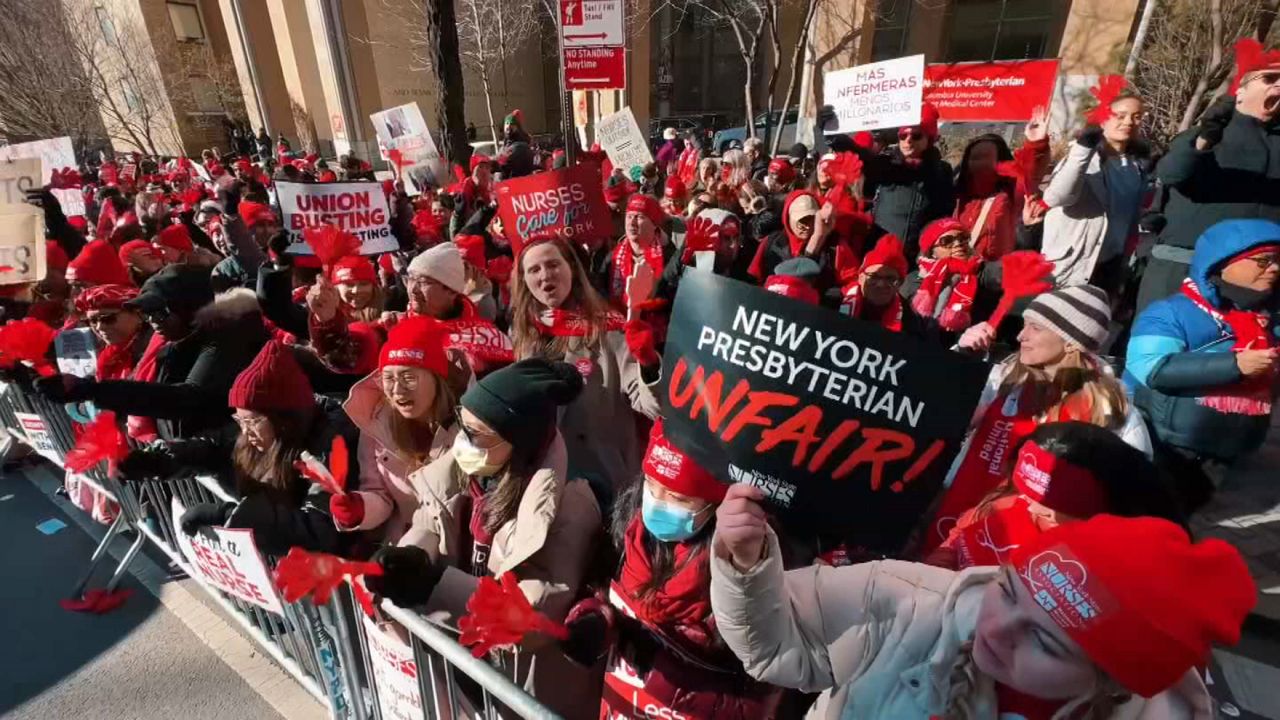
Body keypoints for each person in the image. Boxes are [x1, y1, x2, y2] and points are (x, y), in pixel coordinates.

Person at [711, 493, 1255, 718]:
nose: (997, 627)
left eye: (1045, 641)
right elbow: (776, 650)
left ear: (1113, 682)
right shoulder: (907, 601)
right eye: (1009, 590)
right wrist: (745, 562)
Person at [366, 359, 600, 720]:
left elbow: (535, 610)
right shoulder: (472, 472)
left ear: (518, 439)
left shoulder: (569, 508)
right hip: (469, 659)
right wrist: (411, 556)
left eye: (478, 435)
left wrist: (433, 588)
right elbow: (431, 519)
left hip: (523, 682)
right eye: (463, 426)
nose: (463, 442)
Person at [559, 421, 781, 719]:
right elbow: (605, 590)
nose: (658, 504)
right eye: (652, 486)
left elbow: (763, 689)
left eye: (679, 498)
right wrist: (594, 621)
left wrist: (664, 678)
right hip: (622, 705)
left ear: (717, 502)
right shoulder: (628, 530)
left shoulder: (749, 568)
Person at [939, 285, 1151, 553]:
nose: (1019, 335)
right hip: (959, 518)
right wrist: (961, 360)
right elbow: (941, 414)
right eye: (1024, 325)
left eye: (1035, 328)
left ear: (1071, 341)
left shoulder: (1112, 411)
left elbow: (1129, 499)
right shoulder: (1006, 378)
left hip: (1043, 553)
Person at [128, 341, 357, 557]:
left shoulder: (331, 444)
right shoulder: (258, 433)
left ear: (284, 419)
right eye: (240, 420)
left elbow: (320, 528)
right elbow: (216, 447)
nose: (246, 432)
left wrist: (230, 516)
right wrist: (163, 459)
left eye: (253, 422)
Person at [1125, 219, 1280, 510]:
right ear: (1221, 262)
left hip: (1228, 447)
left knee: (1190, 510)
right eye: (1263, 260)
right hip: (1169, 445)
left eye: (1278, 261)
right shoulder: (1173, 313)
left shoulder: (1267, 320)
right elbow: (1151, 368)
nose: (1274, 268)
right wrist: (1234, 365)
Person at [35, 266, 271, 440]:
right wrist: (80, 387)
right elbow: (143, 384)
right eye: (147, 314)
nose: (152, 322)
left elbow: (188, 399)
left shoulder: (227, 339)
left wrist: (95, 391)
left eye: (160, 313)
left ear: (189, 309)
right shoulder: (175, 339)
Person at [511, 233, 660, 506]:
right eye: (534, 269)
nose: (545, 276)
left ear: (572, 269)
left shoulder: (609, 331)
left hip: (605, 487)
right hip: (543, 486)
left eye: (553, 265)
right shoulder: (524, 335)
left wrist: (649, 363)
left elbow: (652, 407)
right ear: (524, 281)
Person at [925, 421, 1185, 571]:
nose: (1025, 506)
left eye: (1046, 506)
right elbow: (958, 537)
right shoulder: (1012, 495)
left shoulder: (1105, 566)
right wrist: (934, 574)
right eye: (1021, 492)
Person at [1138, 38, 1280, 312]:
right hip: (1185, 274)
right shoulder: (1210, 132)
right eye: (1270, 78)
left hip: (1257, 284)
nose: (1279, 86)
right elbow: (1171, 173)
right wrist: (1205, 138)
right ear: (1240, 90)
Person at [334, 315, 465, 544]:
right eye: (388, 378)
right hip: (405, 544)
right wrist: (359, 508)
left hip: (460, 544)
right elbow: (380, 495)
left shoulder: (468, 423)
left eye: (408, 377)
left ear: (437, 379)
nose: (397, 390)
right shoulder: (375, 424)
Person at [1042, 77, 1150, 295]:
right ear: (1103, 119)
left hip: (1109, 267)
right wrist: (1082, 151)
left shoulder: (1136, 166)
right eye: (1120, 115)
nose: (1128, 122)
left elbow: (1131, 218)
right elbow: (1056, 198)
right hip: (1070, 266)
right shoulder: (1081, 158)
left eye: (1136, 117)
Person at [853, 102, 954, 263]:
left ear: (930, 138)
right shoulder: (885, 164)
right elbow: (857, 156)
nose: (908, 141)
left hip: (918, 259)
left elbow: (944, 214)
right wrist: (834, 138)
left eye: (916, 136)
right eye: (903, 135)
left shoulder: (942, 171)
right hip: (879, 252)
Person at [954, 112, 1050, 262]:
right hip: (961, 275)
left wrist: (1036, 144)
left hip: (996, 276)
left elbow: (1031, 171)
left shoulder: (1011, 193)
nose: (980, 163)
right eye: (975, 158)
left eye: (986, 157)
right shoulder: (958, 195)